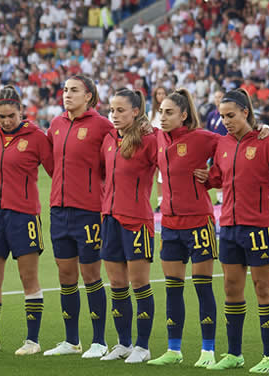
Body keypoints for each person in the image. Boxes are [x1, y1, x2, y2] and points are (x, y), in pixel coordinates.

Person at [198, 88, 269, 373]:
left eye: (231, 115)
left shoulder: (267, 142)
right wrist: (204, 177)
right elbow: (217, 176)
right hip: (228, 227)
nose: (226, 120)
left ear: (246, 113)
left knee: (263, 289)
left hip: (259, 226)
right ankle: (234, 354)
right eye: (222, 116)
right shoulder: (223, 144)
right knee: (231, 289)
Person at [0, 86, 54, 355]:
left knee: (29, 278)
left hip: (24, 216)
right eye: (1, 116)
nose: (5, 121)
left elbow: (56, 169)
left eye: (10, 116)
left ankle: (32, 341)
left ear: (21, 111)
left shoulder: (37, 137)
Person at [146, 89, 219, 368]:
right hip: (170, 226)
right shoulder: (159, 139)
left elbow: (233, 149)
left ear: (184, 115)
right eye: (161, 112)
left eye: (169, 113)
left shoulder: (202, 138)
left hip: (199, 223)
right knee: (173, 289)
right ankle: (173, 350)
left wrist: (214, 178)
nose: (162, 117)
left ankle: (208, 351)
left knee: (202, 288)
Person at [43, 75, 113, 358]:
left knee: (91, 274)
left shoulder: (102, 126)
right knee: (66, 275)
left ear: (89, 96)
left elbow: (116, 161)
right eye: (65, 90)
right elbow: (50, 163)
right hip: (59, 211)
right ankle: (71, 341)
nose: (67, 94)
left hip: (89, 211)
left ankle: (99, 341)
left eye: (74, 90)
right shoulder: (56, 125)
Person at [99, 88, 158, 364]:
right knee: (117, 284)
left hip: (137, 221)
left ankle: (143, 346)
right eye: (112, 110)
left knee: (139, 284)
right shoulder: (109, 139)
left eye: (120, 110)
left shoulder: (150, 140)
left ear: (136, 111)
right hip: (109, 219)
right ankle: (123, 343)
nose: (114, 115)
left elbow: (173, 161)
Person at [205, 90, 226, 206]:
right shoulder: (211, 115)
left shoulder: (228, 113)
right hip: (214, 149)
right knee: (215, 171)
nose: (218, 99)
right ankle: (220, 198)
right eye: (216, 97)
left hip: (226, 147)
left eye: (220, 97)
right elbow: (208, 131)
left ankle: (227, 195)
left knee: (226, 171)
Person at [151, 86, 166, 212]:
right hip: (155, 148)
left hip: (166, 147)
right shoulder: (151, 114)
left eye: (163, 93)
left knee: (165, 175)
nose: (160, 96)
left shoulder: (169, 112)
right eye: (158, 93)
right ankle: (160, 201)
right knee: (157, 177)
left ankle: (167, 200)